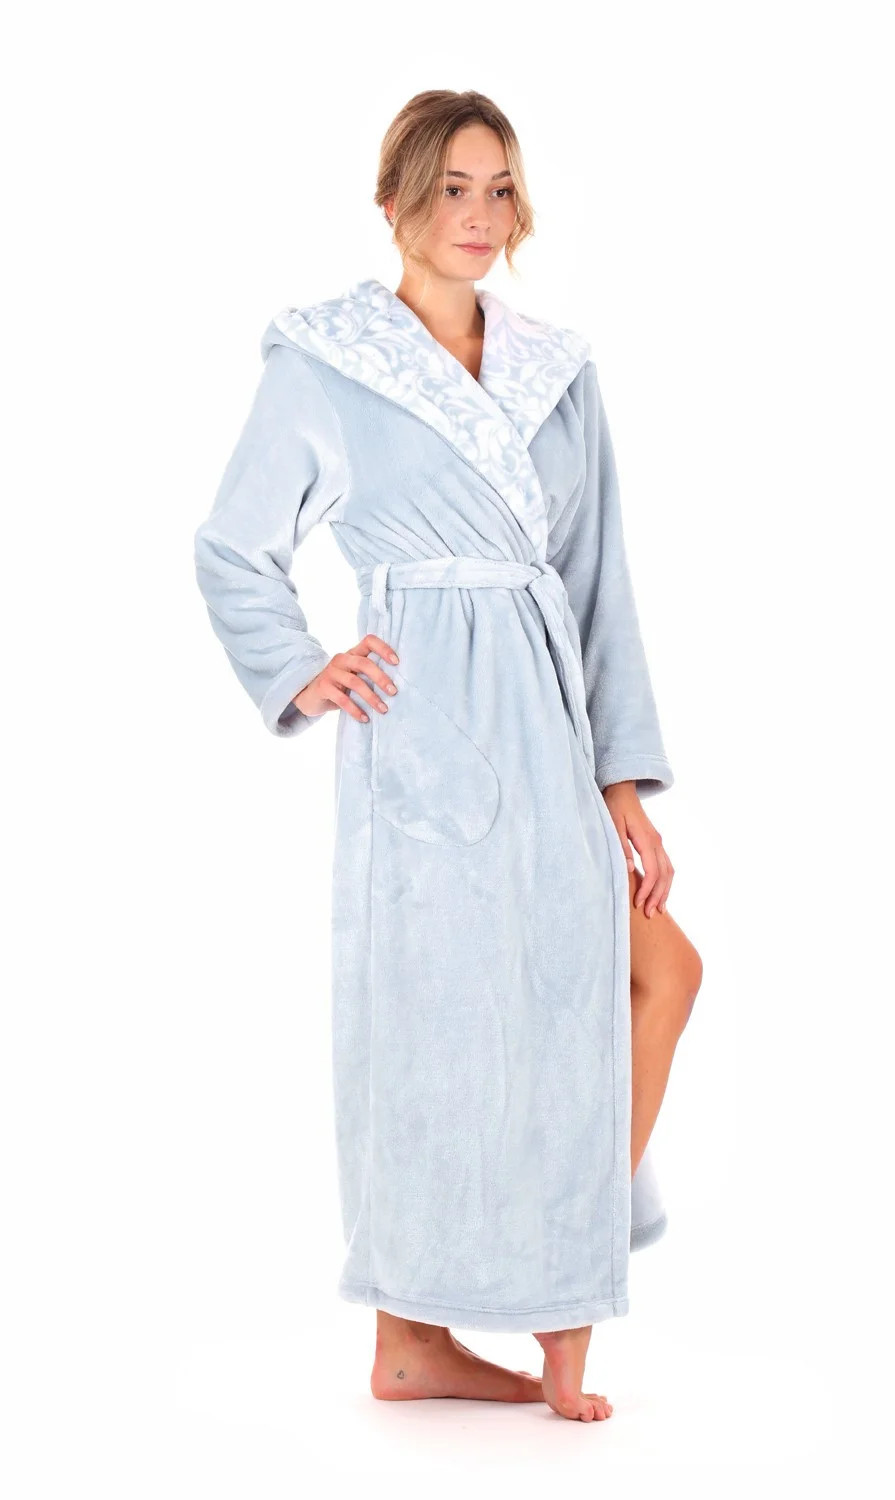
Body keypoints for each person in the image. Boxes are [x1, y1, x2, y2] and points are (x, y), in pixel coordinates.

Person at [193, 89, 703, 1424]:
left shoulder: (557, 369)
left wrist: (622, 788)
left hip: (551, 716)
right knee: (441, 1026)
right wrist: (300, 665)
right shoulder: (328, 361)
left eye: (497, 188)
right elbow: (234, 544)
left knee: (640, 978)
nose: (476, 216)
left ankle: (550, 1270)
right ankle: (414, 1338)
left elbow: (597, 584)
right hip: (426, 726)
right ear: (395, 202)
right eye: (449, 188)